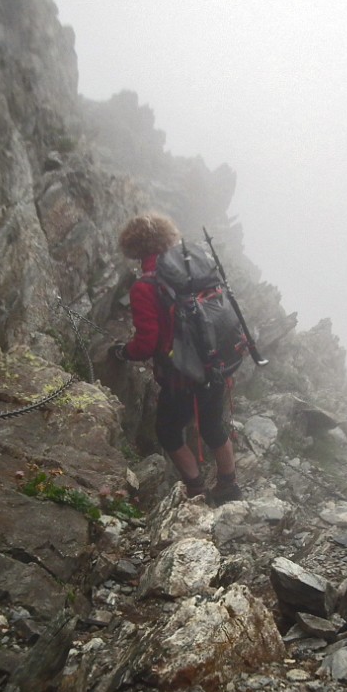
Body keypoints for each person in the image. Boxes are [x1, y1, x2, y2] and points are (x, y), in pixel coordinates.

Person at [107, 213, 242, 504]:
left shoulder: (145, 287)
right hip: (217, 365)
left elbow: (146, 344)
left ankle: (196, 491)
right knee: (212, 426)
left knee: (168, 432)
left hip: (182, 376)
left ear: (134, 247)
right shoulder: (194, 268)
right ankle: (229, 485)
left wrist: (122, 352)